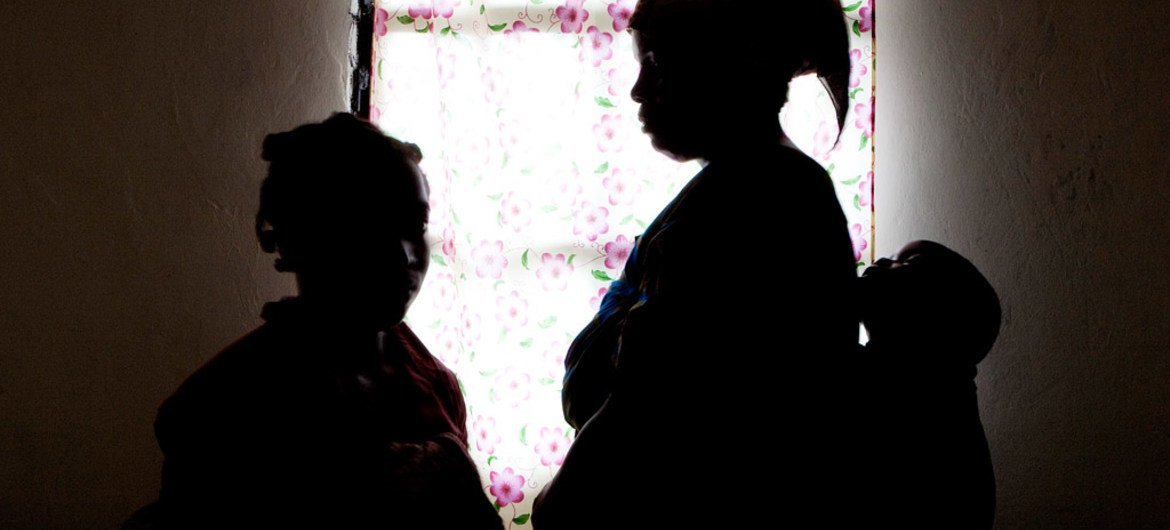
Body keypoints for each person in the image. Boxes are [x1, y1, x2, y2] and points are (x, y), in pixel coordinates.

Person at [535, 1, 858, 527]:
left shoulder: (754, 203)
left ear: (731, 64)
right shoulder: (752, 190)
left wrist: (556, 507)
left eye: (657, 64)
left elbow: (645, 406)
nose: (639, 89)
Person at [128, 114, 501, 529]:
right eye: (367, 227)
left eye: (414, 226)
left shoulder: (433, 383)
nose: (401, 255)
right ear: (299, 236)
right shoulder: (223, 404)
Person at [856, 240, 1000, 529]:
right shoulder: (940, 389)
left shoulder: (924, 398)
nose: (884, 259)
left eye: (912, 263)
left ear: (944, 316)